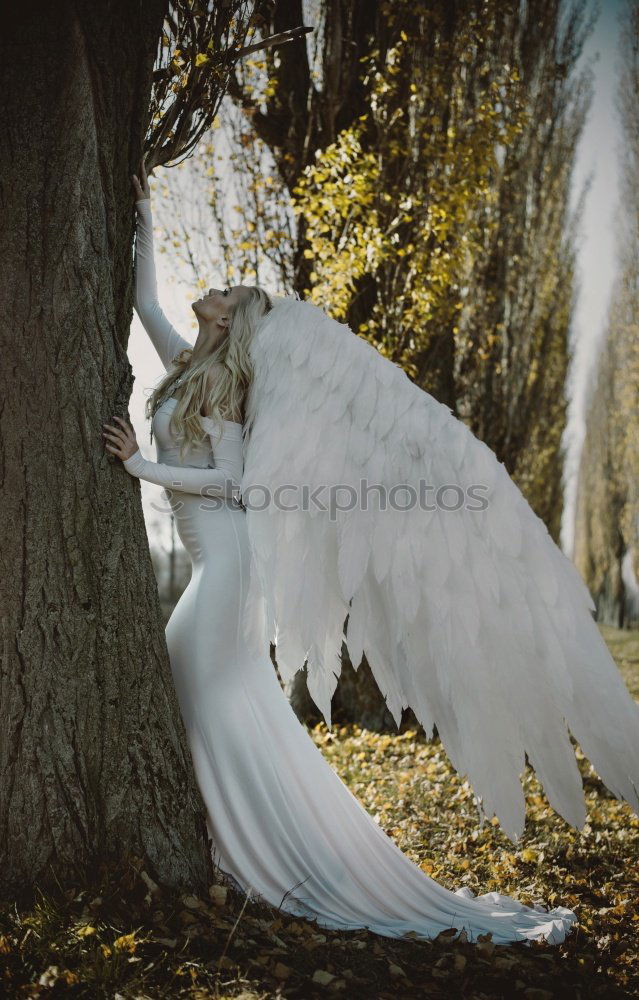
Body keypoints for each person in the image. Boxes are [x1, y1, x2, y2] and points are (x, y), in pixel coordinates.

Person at [101, 159, 579, 947]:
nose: (212, 292)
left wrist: (138, 467)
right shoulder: (189, 367)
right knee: (215, 702)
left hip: (226, 569)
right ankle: (242, 839)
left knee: (199, 691)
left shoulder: (223, 389)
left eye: (225, 293)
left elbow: (234, 484)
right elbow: (146, 298)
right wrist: (143, 210)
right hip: (210, 565)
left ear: (229, 321)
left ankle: (243, 846)